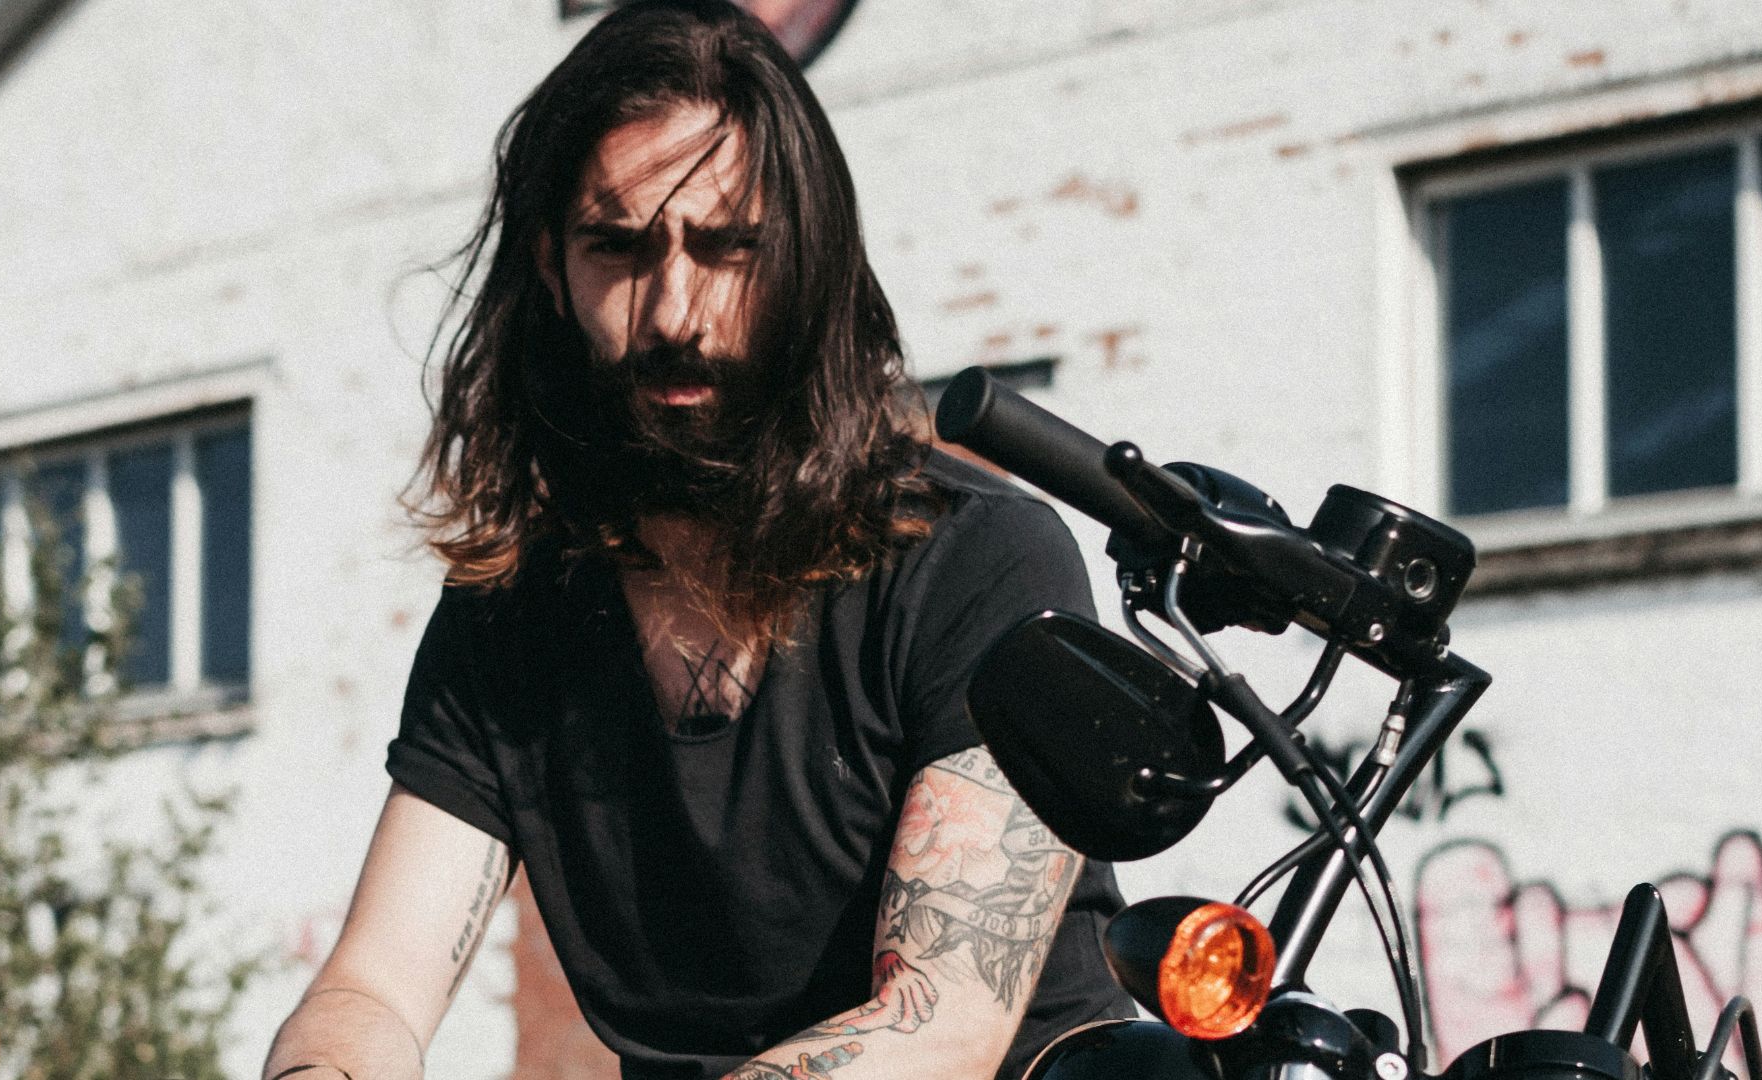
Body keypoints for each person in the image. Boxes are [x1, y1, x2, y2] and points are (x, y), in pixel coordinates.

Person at [263, 2, 1132, 1079]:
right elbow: (374, 986)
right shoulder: (516, 612)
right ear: (551, 269)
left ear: (805, 261)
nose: (676, 309)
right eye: (618, 248)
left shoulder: (978, 561)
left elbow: (939, 1024)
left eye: (729, 247)